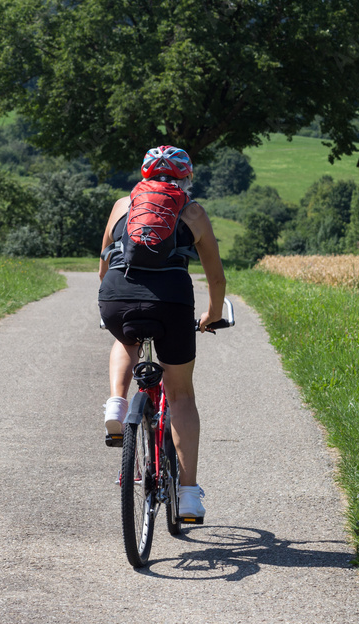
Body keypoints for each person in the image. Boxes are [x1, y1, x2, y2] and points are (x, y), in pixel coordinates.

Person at [98, 145, 226, 519]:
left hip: (117, 293)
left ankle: (116, 406)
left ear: (144, 174)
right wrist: (213, 315)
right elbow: (215, 277)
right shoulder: (193, 211)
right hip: (171, 300)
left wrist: (107, 305)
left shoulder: (123, 204)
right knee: (181, 395)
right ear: (186, 177)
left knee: (125, 339)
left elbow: (104, 260)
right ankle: (188, 495)